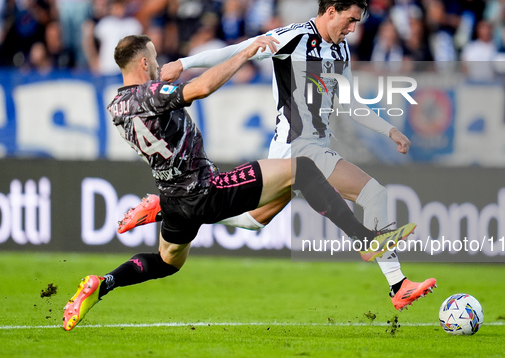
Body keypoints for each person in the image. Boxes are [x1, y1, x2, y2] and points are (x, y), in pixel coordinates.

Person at [62, 34, 415, 331]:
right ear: (142, 64)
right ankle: (364, 239)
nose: (157, 66)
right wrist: (244, 53)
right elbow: (201, 88)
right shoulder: (150, 94)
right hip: (205, 188)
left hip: (173, 199)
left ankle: (104, 283)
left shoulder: (116, 107)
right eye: (153, 60)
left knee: (167, 263)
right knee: (304, 169)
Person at [122, 0, 436, 312]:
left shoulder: (340, 51)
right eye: (351, 19)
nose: (354, 28)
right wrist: (184, 64)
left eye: (357, 22)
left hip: (305, 148)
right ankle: (398, 285)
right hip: (299, 146)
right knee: (374, 195)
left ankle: (165, 207)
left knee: (252, 222)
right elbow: (240, 48)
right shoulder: (294, 38)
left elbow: (351, 103)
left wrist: (389, 130)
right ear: (331, 12)